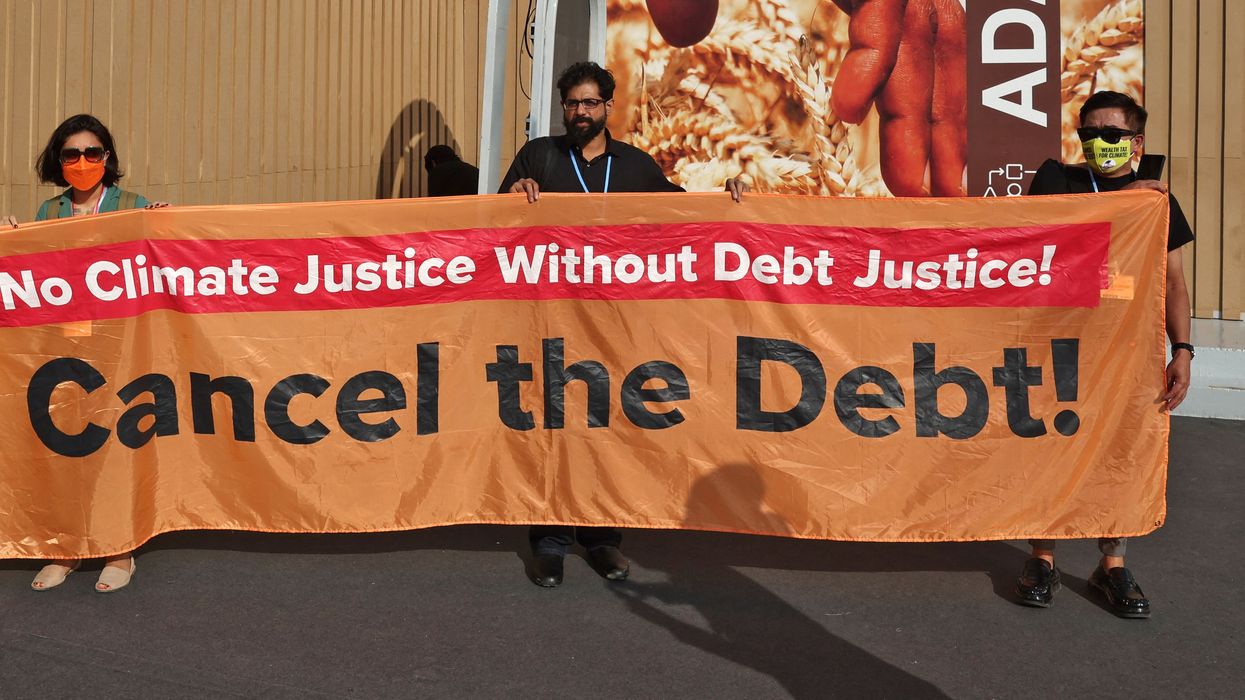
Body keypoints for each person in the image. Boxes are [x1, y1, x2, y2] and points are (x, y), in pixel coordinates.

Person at [499, 61, 746, 587]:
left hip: (617, 326)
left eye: (590, 103)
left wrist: (729, 196)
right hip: (552, 320)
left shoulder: (634, 166)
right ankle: (549, 543)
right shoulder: (540, 155)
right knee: (553, 430)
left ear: (609, 107)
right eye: (572, 104)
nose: (580, 112)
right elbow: (495, 226)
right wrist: (515, 194)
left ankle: (603, 539)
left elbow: (685, 219)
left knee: (610, 431)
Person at [1016, 91, 1193, 618]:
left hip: (1127, 352)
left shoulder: (1157, 200)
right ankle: (1042, 557)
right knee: (1046, 445)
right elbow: (1038, 236)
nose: (1099, 143)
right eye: (1089, 133)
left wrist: (1182, 349)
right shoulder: (1055, 180)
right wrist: (1119, 206)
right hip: (1057, 344)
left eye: (1111, 135)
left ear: (1136, 142)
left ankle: (1111, 565)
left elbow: (1175, 283)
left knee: (1120, 452)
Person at [21, 114, 166, 593]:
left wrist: (167, 224)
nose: (83, 162)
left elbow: (162, 255)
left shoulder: (131, 206)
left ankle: (119, 550)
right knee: (64, 448)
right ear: (58, 160)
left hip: (119, 343)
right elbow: (34, 272)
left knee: (114, 447)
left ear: (108, 158)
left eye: (93, 153)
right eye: (71, 154)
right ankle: (68, 549)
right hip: (62, 348)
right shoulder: (49, 211)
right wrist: (12, 240)